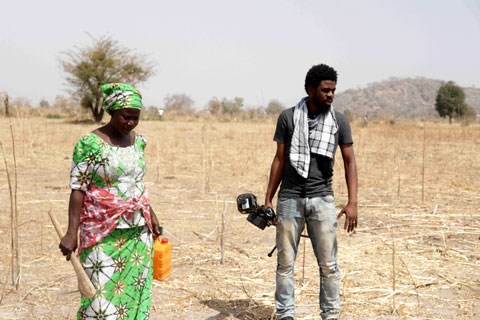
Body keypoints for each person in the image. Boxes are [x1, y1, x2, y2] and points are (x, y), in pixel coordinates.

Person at [59, 83, 162, 320]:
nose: (131, 123)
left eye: (136, 118)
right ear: (112, 112)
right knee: (100, 297)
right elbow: (78, 189)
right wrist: (71, 232)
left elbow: (137, 183)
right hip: (102, 231)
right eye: (126, 117)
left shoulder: (139, 142)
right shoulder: (90, 144)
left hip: (137, 233)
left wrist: (152, 216)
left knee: (135, 293)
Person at [265, 64, 358, 320]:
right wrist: (267, 199)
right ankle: (285, 315)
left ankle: (330, 315)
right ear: (310, 90)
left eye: (333, 91)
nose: (330, 95)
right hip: (290, 198)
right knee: (285, 265)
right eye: (325, 90)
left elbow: (350, 161)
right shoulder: (288, 117)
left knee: (329, 266)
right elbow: (279, 159)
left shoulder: (338, 121)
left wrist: (353, 203)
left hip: (323, 200)